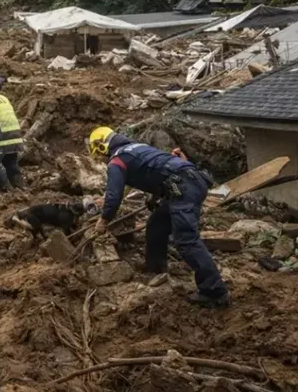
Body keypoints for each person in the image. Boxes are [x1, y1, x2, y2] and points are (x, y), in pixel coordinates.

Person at [88, 126, 230, 308]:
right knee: (157, 223)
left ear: (101, 147)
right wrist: (154, 197)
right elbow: (156, 171)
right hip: (188, 182)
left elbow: (114, 196)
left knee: (187, 240)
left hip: (182, 189)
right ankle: (155, 267)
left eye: (99, 156)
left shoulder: (117, 161)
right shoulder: (137, 148)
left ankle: (215, 292)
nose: (101, 160)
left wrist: (104, 220)